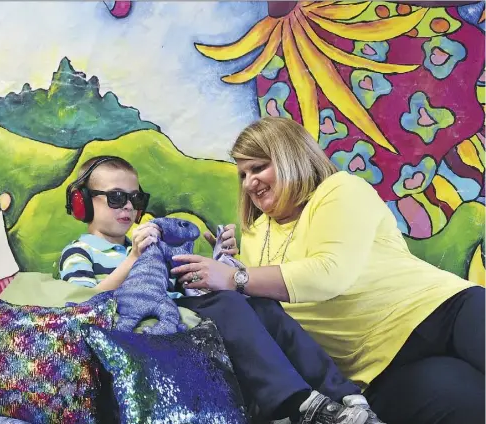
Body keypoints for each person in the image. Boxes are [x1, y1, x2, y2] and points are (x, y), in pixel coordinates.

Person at [170, 116, 484, 424]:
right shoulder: (254, 235)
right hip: (378, 371)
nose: (249, 182)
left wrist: (236, 278)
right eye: (243, 174)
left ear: (290, 158)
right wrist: (229, 268)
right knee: (471, 402)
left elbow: (330, 274)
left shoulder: (339, 190)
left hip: (445, 313)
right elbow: (276, 317)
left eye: (258, 167)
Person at [59, 155, 380, 424]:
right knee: (227, 304)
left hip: (180, 307)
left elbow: (184, 287)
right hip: (146, 323)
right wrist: (132, 260)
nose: (127, 206)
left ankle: (345, 397)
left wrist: (220, 261)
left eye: (135, 198)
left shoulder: (147, 243)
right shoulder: (80, 251)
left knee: (261, 304)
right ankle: (296, 402)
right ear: (83, 202)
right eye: (116, 197)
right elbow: (82, 305)